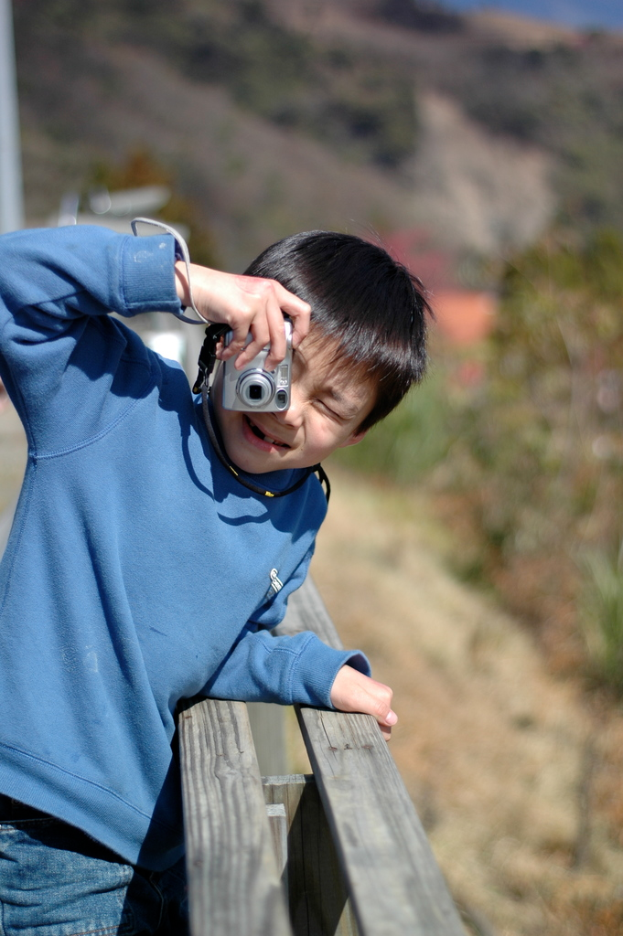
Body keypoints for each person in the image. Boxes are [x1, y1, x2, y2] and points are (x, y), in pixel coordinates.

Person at [0, 223, 429, 934]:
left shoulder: (299, 507)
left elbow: (221, 644)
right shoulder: (115, 399)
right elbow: (14, 281)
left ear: (356, 436)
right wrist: (185, 282)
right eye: (281, 367)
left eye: (329, 408)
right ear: (231, 333)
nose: (287, 410)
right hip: (44, 832)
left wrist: (314, 674)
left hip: (160, 842)